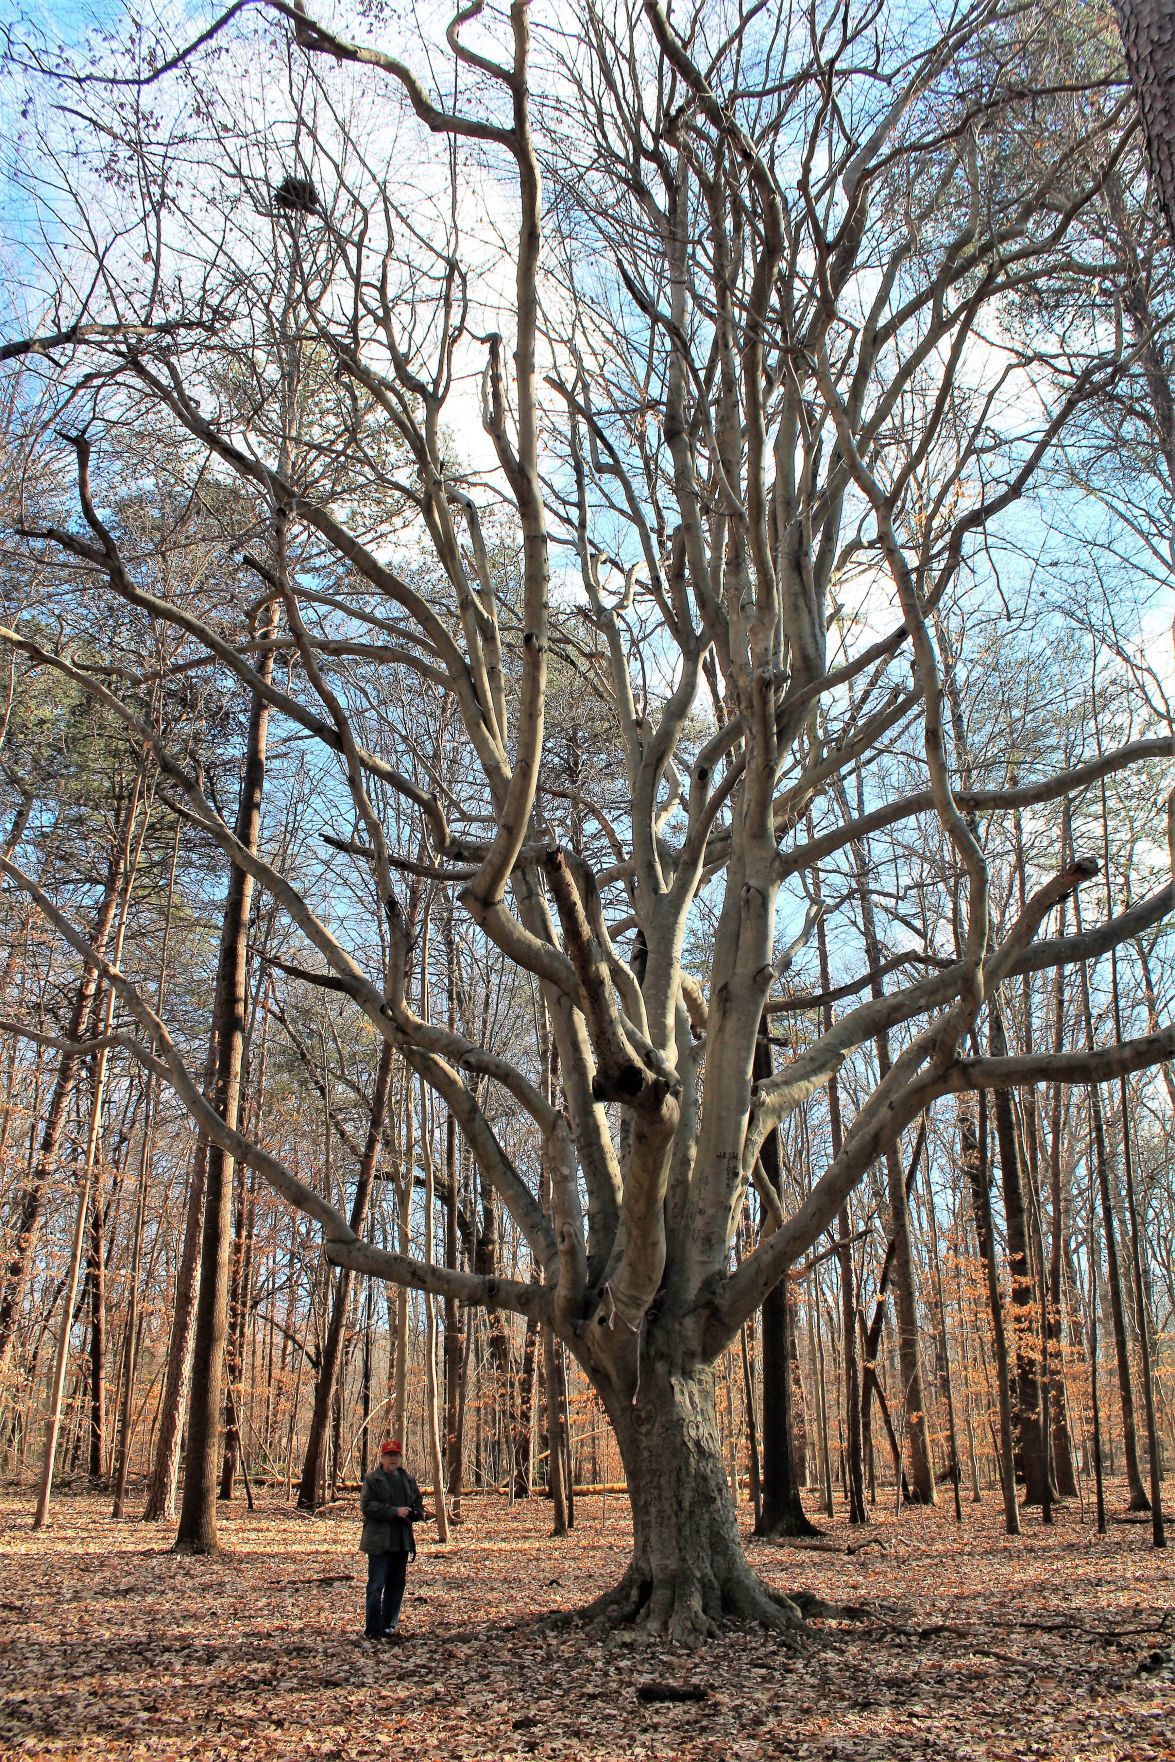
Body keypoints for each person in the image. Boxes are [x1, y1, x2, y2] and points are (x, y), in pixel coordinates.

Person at [359, 1438, 425, 1642]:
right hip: (379, 1542)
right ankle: (373, 1628)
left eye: (396, 1455)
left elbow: (419, 1506)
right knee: (376, 1585)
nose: (393, 1459)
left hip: (401, 1541)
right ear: (382, 1457)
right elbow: (367, 1506)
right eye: (389, 1455)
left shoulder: (408, 1480)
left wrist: (414, 1513)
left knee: (396, 1586)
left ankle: (389, 1626)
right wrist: (394, 1511)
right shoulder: (372, 1480)